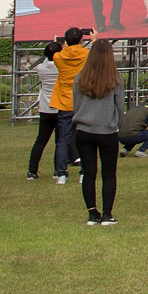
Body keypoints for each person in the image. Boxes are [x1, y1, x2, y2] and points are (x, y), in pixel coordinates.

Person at [69, 38, 124, 224]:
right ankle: (107, 213)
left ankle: (92, 213)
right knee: (109, 174)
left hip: (84, 130)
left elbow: (75, 105)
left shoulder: (79, 78)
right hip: (107, 131)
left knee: (89, 173)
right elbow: (120, 106)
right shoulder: (115, 80)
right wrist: (118, 124)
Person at [49, 29, 90, 183]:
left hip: (65, 102)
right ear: (81, 40)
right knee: (85, 139)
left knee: (63, 139)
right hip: (82, 101)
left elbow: (56, 52)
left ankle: (61, 174)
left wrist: (57, 44)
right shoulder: (86, 54)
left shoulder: (59, 57)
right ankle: (84, 172)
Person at [27, 40, 64, 180]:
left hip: (45, 108)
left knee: (40, 141)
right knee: (60, 141)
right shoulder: (61, 68)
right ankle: (57, 170)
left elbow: (46, 60)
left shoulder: (41, 69)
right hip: (59, 107)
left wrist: (53, 46)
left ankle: (32, 170)